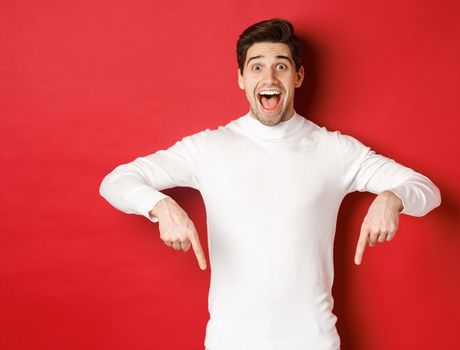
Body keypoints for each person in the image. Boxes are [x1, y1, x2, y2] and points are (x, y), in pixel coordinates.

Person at [99, 18, 441, 350]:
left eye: (281, 66)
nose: (269, 77)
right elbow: (116, 181)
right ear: (241, 79)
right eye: (257, 66)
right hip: (229, 342)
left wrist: (392, 198)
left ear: (298, 76)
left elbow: (427, 190)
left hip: (314, 341)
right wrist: (159, 206)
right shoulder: (207, 148)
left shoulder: (336, 150)